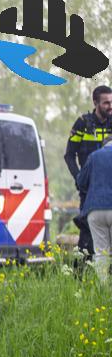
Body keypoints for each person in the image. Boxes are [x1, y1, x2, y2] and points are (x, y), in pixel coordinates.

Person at [64, 85, 112, 257]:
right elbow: (69, 156)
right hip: (88, 188)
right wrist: (79, 179)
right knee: (87, 235)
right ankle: (82, 276)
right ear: (95, 102)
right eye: (106, 103)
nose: (110, 106)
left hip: (109, 186)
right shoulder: (82, 124)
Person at [76, 136, 112, 284]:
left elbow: (81, 182)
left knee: (101, 252)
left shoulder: (94, 156)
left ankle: (103, 289)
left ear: (104, 145)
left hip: (95, 210)